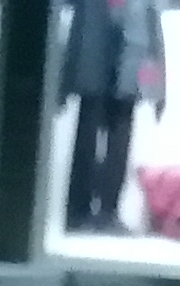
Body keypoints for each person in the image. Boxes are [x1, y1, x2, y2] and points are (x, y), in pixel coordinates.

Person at [55, 0, 164, 235]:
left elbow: (153, 33)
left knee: (118, 143)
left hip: (129, 62)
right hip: (94, 57)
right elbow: (75, 25)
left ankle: (107, 211)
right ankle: (78, 212)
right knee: (87, 138)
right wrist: (65, 81)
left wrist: (156, 88)